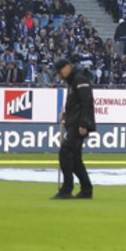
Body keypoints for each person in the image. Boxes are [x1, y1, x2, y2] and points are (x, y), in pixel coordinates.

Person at [53, 57, 95, 199]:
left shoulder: (79, 80)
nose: (59, 75)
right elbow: (77, 103)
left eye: (60, 72)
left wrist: (84, 124)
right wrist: (66, 113)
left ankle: (67, 188)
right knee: (75, 158)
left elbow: (86, 102)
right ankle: (86, 189)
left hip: (78, 125)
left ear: (67, 68)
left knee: (65, 152)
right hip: (74, 122)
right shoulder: (73, 81)